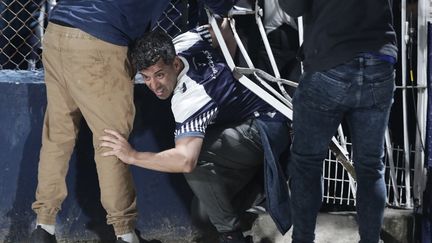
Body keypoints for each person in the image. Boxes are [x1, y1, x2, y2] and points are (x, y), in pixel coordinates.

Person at [28, 1, 236, 243]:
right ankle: (125, 235)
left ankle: (44, 226)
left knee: (58, 135)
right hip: (100, 39)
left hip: (57, 31)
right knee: (110, 140)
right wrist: (225, 9)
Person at [99, 20, 292, 243]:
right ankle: (263, 188)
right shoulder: (184, 42)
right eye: (147, 77)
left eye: (160, 75)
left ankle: (233, 237)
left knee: (195, 156)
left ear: (175, 64)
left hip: (268, 127)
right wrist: (229, 70)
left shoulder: (189, 98)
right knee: (203, 213)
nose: (154, 85)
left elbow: (185, 161)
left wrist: (132, 156)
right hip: (249, 124)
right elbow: (224, 27)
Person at [278, 0, 397, 242]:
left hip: (329, 60)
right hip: (379, 60)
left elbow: (293, 7)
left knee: (307, 163)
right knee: (371, 167)